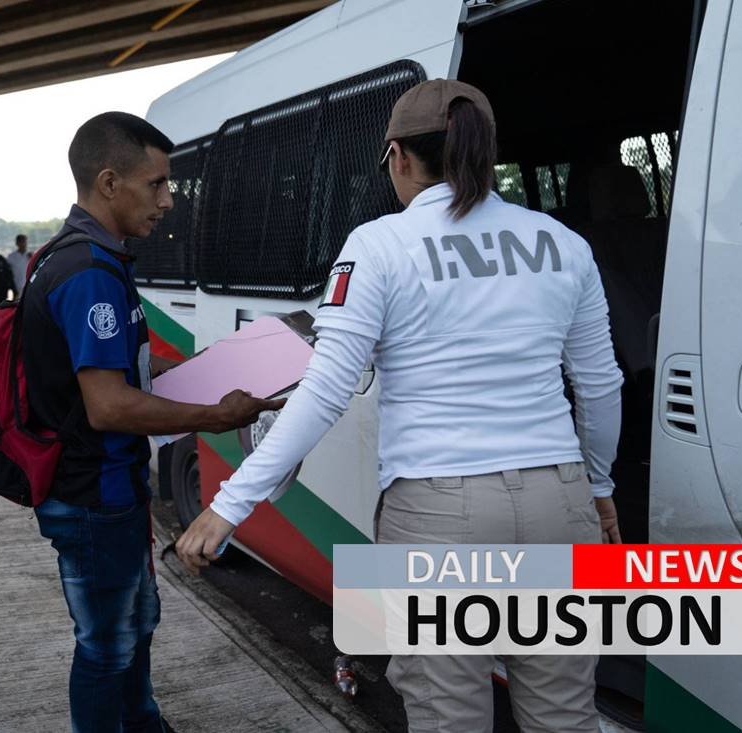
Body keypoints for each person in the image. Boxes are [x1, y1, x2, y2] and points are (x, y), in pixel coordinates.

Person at [176, 80, 624, 733]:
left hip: (439, 515)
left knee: (449, 713)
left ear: (398, 157)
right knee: (563, 713)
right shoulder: (561, 242)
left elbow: (326, 387)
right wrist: (600, 486)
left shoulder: (378, 245)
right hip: (558, 501)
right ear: (483, 153)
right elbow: (599, 384)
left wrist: (229, 503)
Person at [22, 111, 284, 733]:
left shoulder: (90, 259)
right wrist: (215, 415)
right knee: (106, 644)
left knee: (135, 624)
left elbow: (116, 373)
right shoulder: (87, 272)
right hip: (93, 492)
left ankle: (144, 723)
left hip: (108, 488)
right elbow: (108, 405)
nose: (170, 201)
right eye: (158, 184)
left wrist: (202, 370)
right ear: (109, 183)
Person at [7, 233, 33, 297]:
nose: (23, 244)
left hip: (29, 286)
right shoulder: (11, 257)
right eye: (21, 242)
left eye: (24, 242)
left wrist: (32, 258)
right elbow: (8, 273)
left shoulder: (31, 256)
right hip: (16, 287)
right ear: (17, 243)